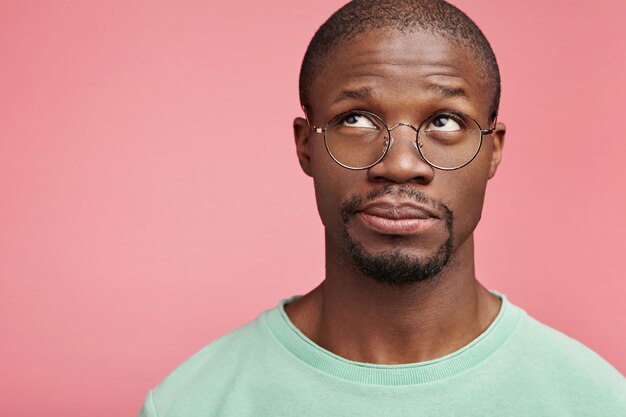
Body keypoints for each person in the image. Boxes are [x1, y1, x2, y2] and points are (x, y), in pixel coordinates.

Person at [138, 1, 626, 415]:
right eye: (356, 119)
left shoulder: (595, 401)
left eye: (446, 121)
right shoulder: (192, 402)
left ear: (493, 150)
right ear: (306, 145)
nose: (400, 164)